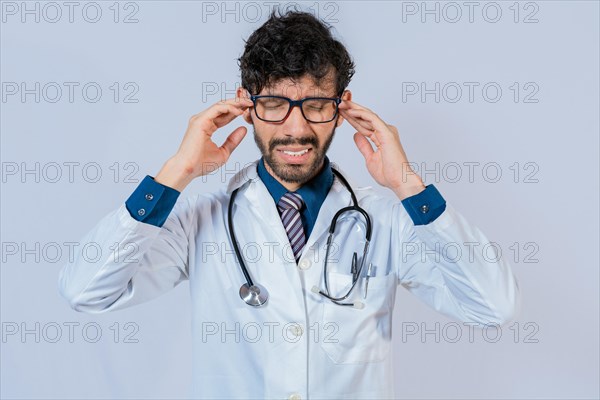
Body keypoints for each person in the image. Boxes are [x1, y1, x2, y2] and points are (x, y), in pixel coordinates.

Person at [59, 10, 519, 399]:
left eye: (316, 105)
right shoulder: (201, 221)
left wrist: (408, 185)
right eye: (275, 103)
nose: (296, 128)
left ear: (341, 107)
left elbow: (492, 306)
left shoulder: (387, 221)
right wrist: (175, 172)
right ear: (246, 103)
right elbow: (86, 290)